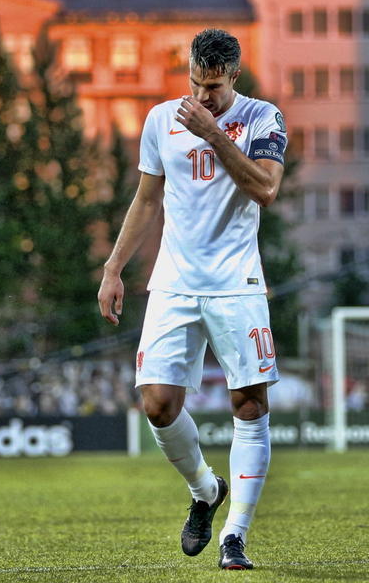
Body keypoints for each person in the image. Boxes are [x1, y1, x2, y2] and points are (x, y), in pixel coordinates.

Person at [97, 28, 287, 571]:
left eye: (214, 86)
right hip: (174, 281)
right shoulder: (161, 120)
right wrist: (113, 268)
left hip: (236, 283)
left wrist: (215, 134)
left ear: (235, 76)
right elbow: (147, 198)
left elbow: (265, 189)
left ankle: (235, 537)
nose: (203, 97)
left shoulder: (262, 118)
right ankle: (205, 489)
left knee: (248, 406)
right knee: (157, 403)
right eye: (196, 83)